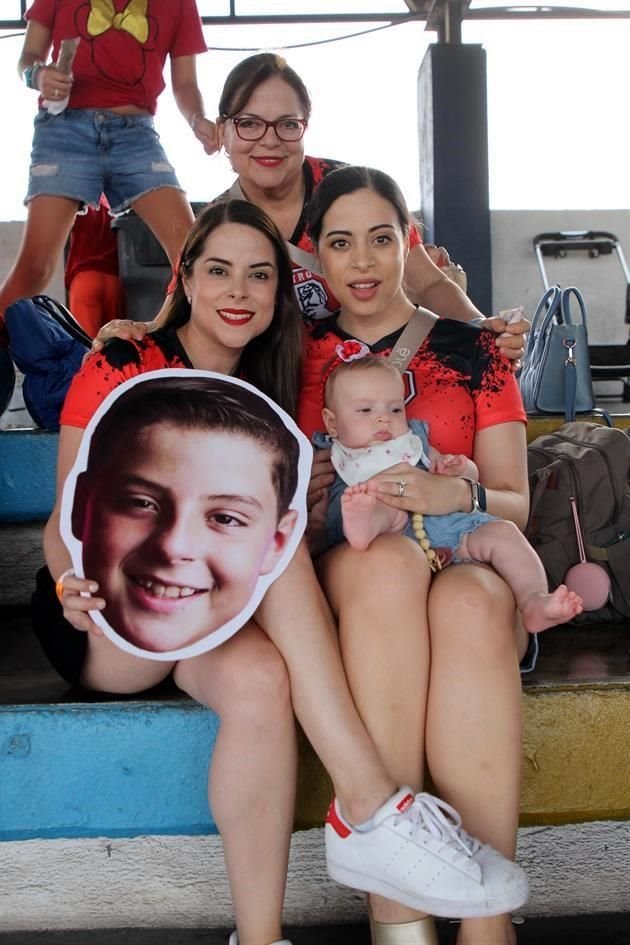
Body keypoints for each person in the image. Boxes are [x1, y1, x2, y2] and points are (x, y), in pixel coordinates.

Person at [35, 199, 527, 945]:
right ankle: (370, 805)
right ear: (187, 277)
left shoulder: (279, 388)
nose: (239, 291)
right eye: (221, 270)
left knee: (265, 678)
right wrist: (71, 579)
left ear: (280, 294)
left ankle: (260, 939)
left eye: (260, 275)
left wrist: (477, 318)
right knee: (283, 541)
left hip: (217, 609)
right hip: (111, 612)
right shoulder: (123, 360)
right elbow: (65, 510)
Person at [298, 165, 536, 945]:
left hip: (463, 558)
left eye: (379, 237)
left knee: (469, 601)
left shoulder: (474, 352)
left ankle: (486, 921)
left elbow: (514, 500)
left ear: (410, 243)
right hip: (361, 567)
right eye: (340, 242)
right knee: (390, 565)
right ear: (317, 257)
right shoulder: (296, 356)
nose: (362, 261)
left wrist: (447, 499)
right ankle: (398, 920)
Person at [90, 52, 528, 363]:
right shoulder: (219, 223)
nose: (268, 140)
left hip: (380, 383)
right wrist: (133, 333)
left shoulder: (352, 192)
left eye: (287, 124)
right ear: (222, 131)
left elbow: (428, 284)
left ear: (305, 127)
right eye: (247, 123)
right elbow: (179, 308)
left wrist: (484, 330)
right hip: (283, 389)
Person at [316, 351, 583, 633]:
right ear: (332, 423)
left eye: (395, 409)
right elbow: (319, 521)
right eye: (365, 411)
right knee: (382, 502)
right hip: (384, 537)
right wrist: (317, 528)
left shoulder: (413, 440)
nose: (384, 419)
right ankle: (362, 523)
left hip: (444, 528)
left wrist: (461, 469)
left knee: (504, 533)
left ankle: (533, 601)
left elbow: (452, 473)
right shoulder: (329, 459)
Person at [0, 0, 218, 322]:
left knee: (194, 258)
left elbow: (185, 84)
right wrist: (38, 75)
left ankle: (178, 355)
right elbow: (28, 58)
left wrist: (198, 119)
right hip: (64, 131)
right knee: (36, 267)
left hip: (137, 136)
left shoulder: (179, 3)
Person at [69, 375, 303, 655]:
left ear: (277, 542)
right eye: (141, 503)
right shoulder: (120, 361)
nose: (173, 546)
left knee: (254, 675)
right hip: (92, 635)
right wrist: (68, 584)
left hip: (232, 638)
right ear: (82, 505)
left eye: (225, 519)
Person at [65, 196, 126, 338]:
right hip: (114, 282)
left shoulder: (79, 201)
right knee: (115, 346)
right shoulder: (116, 205)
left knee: (86, 346)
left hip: (85, 279)